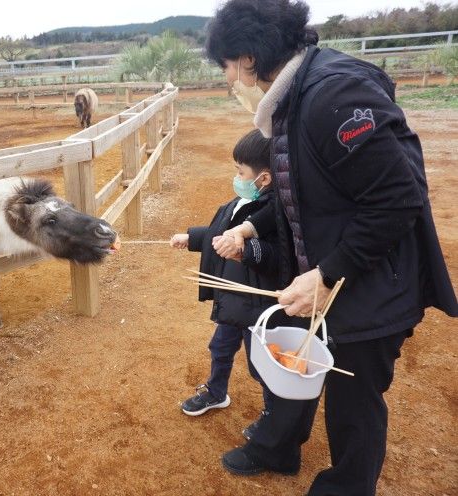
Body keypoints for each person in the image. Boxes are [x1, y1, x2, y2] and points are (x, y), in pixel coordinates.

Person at [204, 1, 458, 495]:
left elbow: (397, 199)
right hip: (320, 272)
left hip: (369, 280)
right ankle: (277, 447)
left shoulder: (333, 95)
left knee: (353, 396)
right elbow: (294, 196)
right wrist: (253, 232)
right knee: (291, 357)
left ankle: (346, 487)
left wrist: (326, 275)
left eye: (226, 66)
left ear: (249, 58)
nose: (228, 78)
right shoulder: (290, 100)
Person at [170, 129, 276, 437]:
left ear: (265, 178)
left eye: (240, 171)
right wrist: (192, 237)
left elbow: (275, 255)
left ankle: (273, 414)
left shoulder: (272, 213)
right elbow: (220, 231)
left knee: (263, 364)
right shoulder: (242, 200)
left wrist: (246, 250)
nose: (237, 177)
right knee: (220, 346)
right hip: (233, 299)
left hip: (259, 306)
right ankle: (217, 392)